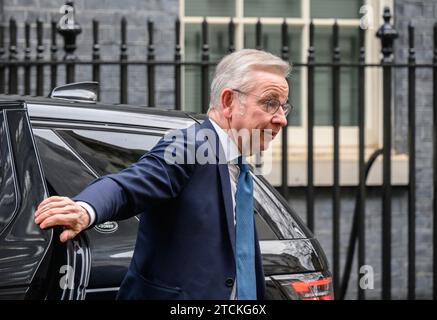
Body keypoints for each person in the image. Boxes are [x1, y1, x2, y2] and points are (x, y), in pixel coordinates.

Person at [34, 49, 291, 300]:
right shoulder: (192, 146)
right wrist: (84, 209)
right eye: (270, 103)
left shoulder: (237, 164)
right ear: (228, 102)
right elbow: (128, 185)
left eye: (282, 107)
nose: (281, 119)